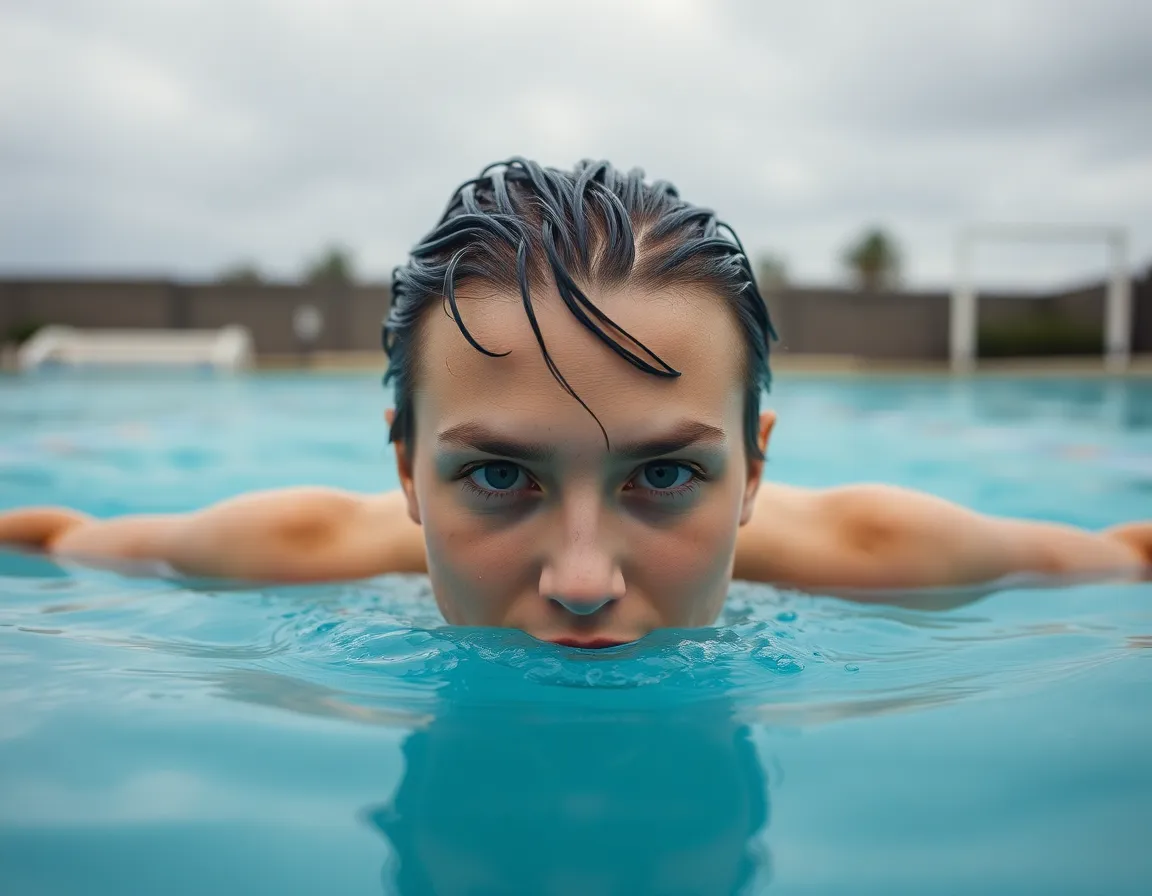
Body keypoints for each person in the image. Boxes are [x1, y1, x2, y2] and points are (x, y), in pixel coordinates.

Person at [1, 158, 1149, 647]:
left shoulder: (886, 549)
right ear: (405, 467)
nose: (584, 581)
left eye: (666, 473)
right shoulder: (297, 545)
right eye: (499, 475)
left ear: (755, 467)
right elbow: (51, 538)